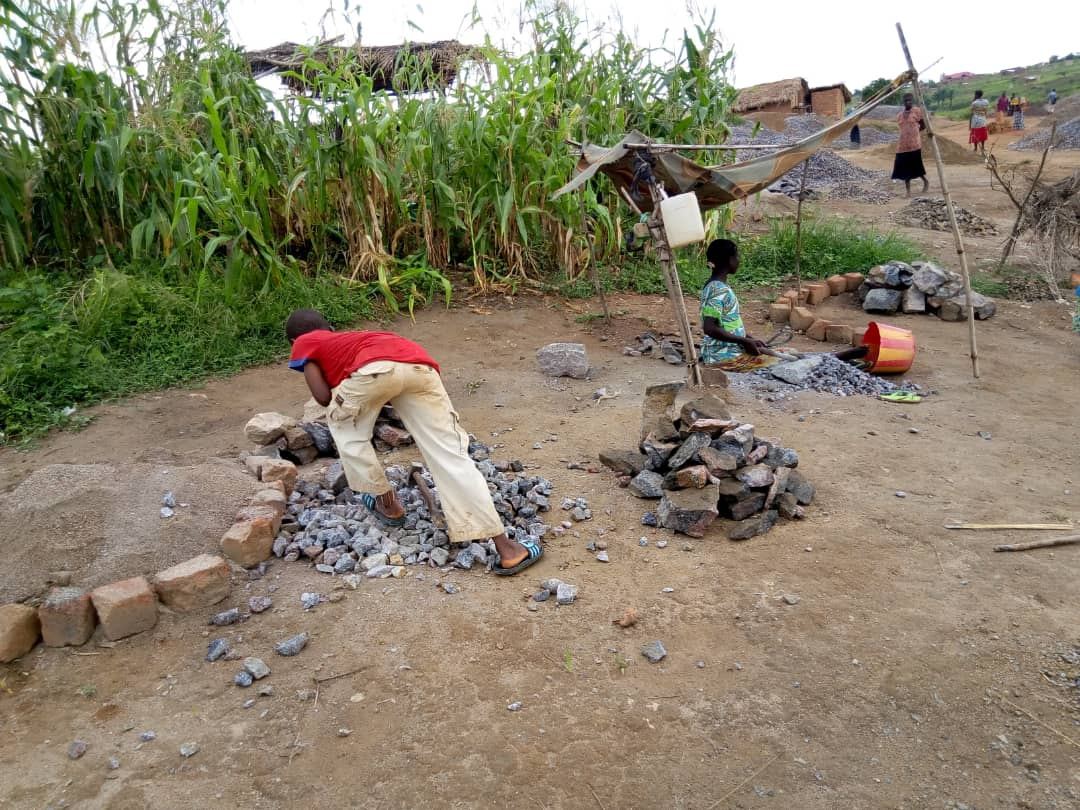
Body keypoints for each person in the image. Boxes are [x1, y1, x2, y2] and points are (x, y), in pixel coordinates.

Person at [285, 309, 544, 576]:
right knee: (450, 455)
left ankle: (388, 503)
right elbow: (393, 373)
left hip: (372, 371)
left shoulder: (306, 341)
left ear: (294, 341)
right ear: (330, 326)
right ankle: (507, 549)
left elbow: (323, 396)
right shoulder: (359, 337)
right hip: (420, 368)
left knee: (344, 427)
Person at [698, 240, 868, 371]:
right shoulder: (717, 289)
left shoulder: (715, 285)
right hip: (723, 355)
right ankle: (836, 359)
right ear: (728, 260)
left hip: (726, 350)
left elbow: (726, 324)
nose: (739, 260)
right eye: (737, 256)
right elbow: (710, 328)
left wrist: (747, 339)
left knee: (788, 352)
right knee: (785, 364)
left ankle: (833, 359)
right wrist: (742, 340)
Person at [892, 93, 929, 197]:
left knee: (916, 167)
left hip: (914, 145)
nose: (908, 102)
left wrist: (916, 132)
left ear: (912, 101)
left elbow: (923, 125)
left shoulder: (916, 111)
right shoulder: (899, 115)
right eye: (906, 101)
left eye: (910, 100)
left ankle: (925, 181)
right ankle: (908, 191)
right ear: (903, 102)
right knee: (904, 168)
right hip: (902, 145)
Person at [969, 90, 990, 154]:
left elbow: (971, 112)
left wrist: (969, 124)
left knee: (975, 133)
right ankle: (983, 147)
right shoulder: (986, 101)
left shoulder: (974, 103)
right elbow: (986, 110)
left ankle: (975, 148)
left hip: (975, 120)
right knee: (982, 133)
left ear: (976, 95)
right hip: (983, 119)